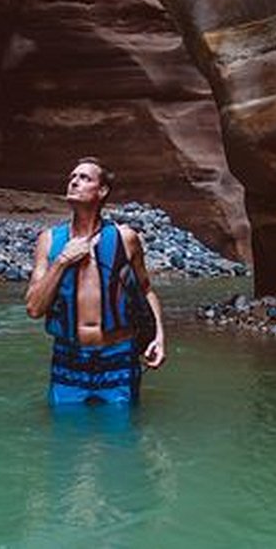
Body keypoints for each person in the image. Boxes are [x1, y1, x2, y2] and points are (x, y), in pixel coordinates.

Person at [25, 157, 166, 405]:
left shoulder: (125, 238)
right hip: (69, 357)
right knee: (66, 435)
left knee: (121, 437)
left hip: (119, 355)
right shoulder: (49, 240)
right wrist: (62, 261)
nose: (74, 182)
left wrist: (158, 337)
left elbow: (146, 291)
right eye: (72, 177)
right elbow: (34, 308)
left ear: (101, 191)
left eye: (84, 178)